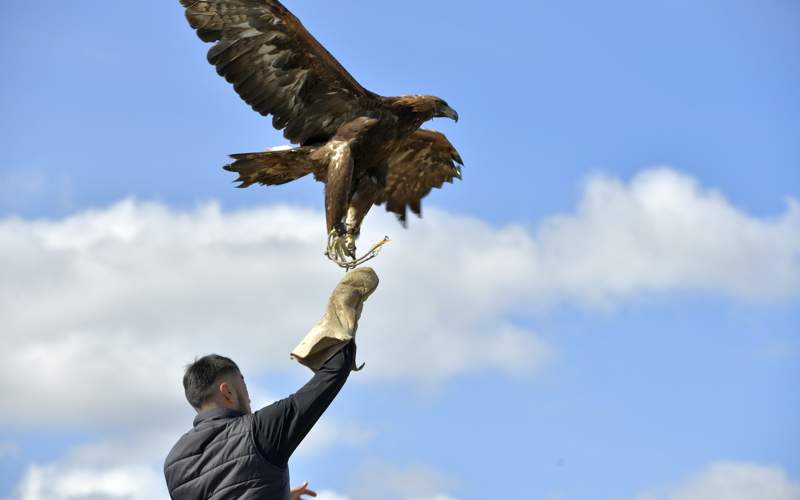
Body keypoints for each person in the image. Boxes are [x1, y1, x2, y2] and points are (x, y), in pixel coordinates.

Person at [164, 269, 377, 499]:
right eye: (243, 384)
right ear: (227, 391)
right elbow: (332, 375)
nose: (249, 396)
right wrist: (344, 305)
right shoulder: (258, 431)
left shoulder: (173, 462)